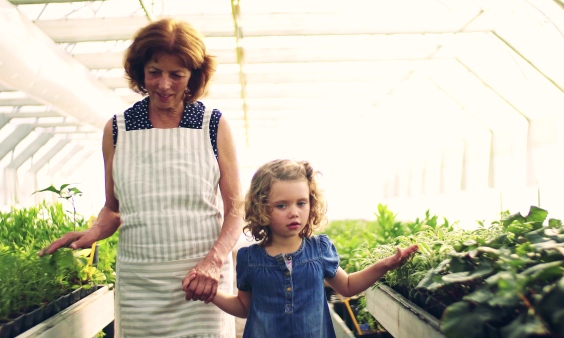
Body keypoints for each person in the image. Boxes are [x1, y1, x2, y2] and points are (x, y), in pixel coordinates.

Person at [38, 18, 244, 337]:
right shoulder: (118, 129)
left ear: (193, 76)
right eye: (154, 72)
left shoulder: (211, 125)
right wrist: (92, 232)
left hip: (201, 282)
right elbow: (113, 208)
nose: (164, 84)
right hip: (140, 286)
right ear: (140, 70)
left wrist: (214, 261)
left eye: (176, 74)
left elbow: (235, 209)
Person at [184, 159, 419, 337]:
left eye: (301, 202)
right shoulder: (249, 258)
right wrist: (212, 294)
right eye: (282, 205)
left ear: (311, 203)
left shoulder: (319, 249)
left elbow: (347, 286)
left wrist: (385, 264)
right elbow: (244, 307)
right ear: (262, 208)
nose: (294, 211)